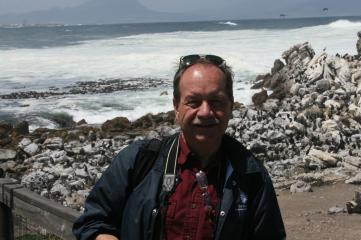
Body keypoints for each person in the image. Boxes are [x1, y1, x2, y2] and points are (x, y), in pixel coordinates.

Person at [72, 54, 286, 240]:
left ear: (231, 106)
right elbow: (93, 221)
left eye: (216, 102)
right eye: (193, 102)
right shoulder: (140, 160)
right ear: (176, 107)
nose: (205, 112)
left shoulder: (251, 175)